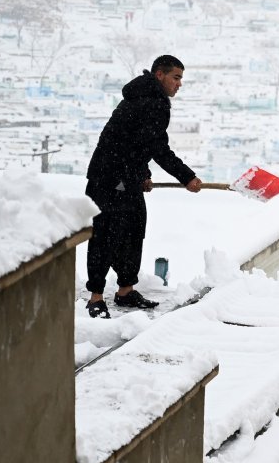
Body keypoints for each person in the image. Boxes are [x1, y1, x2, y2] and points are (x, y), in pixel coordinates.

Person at [85, 54, 203, 318]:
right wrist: (187, 177)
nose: (179, 84)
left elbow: (136, 144)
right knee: (105, 236)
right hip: (109, 179)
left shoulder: (146, 98)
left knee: (133, 230)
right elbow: (158, 148)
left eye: (181, 79)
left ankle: (125, 290)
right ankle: (95, 297)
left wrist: (141, 174)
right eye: (176, 77)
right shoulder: (151, 103)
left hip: (124, 176)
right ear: (159, 75)